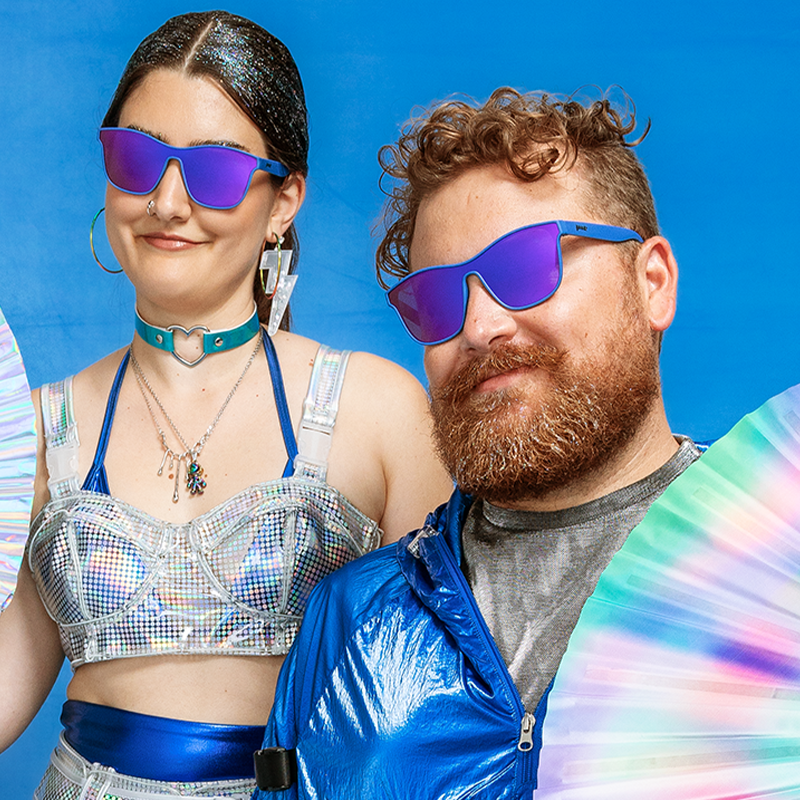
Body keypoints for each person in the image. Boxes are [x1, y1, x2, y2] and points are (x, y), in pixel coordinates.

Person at [0, 11, 451, 799]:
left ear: (285, 202)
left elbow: (440, 704)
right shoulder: (40, 427)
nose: (167, 202)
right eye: (138, 160)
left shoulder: (380, 414)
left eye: (211, 170)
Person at [257, 88, 702, 798]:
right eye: (438, 298)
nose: (481, 327)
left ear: (651, 284)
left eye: (527, 267)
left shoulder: (771, 567)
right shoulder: (349, 621)